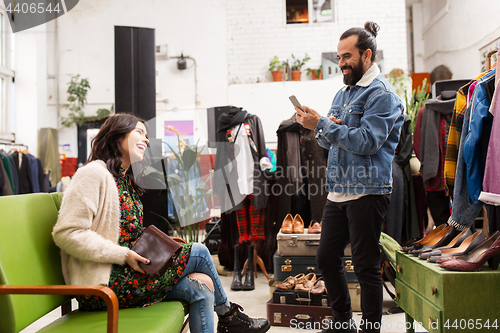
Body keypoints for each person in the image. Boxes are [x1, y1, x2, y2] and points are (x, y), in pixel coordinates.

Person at [52, 113, 270, 333]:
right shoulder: (92, 174)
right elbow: (67, 233)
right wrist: (123, 254)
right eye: (139, 132)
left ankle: (227, 318)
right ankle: (229, 317)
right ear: (117, 136)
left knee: (202, 285)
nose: (146, 140)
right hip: (103, 284)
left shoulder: (125, 180)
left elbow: (127, 235)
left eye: (146, 135)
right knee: (199, 251)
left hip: (127, 274)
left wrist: (160, 248)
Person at [296, 22, 404, 333]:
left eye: (347, 56)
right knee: (327, 258)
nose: (341, 63)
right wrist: (318, 125)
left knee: (365, 266)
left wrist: (325, 125)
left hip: (368, 191)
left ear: (367, 55)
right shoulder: (342, 93)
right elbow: (328, 143)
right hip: (338, 191)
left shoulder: (382, 95)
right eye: (339, 57)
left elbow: (367, 142)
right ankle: (342, 321)